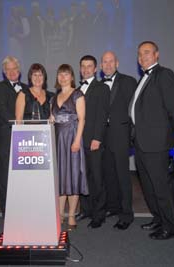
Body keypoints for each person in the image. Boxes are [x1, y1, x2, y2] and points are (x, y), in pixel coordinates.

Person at [130, 41, 174, 239]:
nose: (142, 57)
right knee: (149, 187)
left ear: (157, 54)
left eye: (147, 52)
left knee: (161, 187)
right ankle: (159, 219)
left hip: (156, 144)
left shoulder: (164, 74)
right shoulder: (143, 78)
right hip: (141, 143)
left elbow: (172, 107)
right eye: (140, 53)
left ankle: (171, 226)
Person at [101, 51, 136, 230]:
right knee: (109, 175)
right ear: (101, 65)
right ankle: (113, 207)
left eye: (110, 61)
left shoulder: (129, 81)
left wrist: (132, 136)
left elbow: (135, 111)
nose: (107, 65)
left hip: (121, 136)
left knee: (123, 176)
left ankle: (126, 214)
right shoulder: (99, 86)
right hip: (103, 138)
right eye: (104, 62)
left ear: (117, 63)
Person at [51, 64, 88, 230]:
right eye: (60, 74)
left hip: (72, 138)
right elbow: (52, 119)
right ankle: (59, 215)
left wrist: (77, 141)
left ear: (71, 77)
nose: (63, 77)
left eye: (66, 74)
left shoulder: (78, 94)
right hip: (57, 140)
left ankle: (72, 215)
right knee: (60, 179)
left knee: (73, 177)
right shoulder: (54, 97)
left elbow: (82, 119)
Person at [77, 55, 110, 228]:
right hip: (79, 141)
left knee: (97, 178)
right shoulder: (76, 89)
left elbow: (102, 115)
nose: (86, 69)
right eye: (83, 66)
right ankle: (86, 209)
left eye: (89, 66)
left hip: (93, 141)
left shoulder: (102, 88)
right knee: (83, 177)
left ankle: (99, 214)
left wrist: (97, 137)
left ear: (95, 69)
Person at [0, 56, 28, 216]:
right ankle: (7, 211)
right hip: (7, 137)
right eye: (9, 69)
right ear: (4, 72)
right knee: (6, 175)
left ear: (19, 71)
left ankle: (23, 207)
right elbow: (2, 110)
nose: (12, 72)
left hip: (26, 139)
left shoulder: (27, 88)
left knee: (23, 174)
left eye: (15, 68)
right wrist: (18, 125)